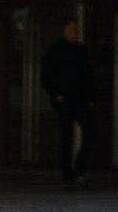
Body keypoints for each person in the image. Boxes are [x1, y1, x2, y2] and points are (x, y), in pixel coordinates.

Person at [40, 17, 93, 189]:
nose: (74, 32)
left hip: (80, 99)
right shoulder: (55, 50)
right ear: (64, 31)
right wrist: (57, 94)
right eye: (71, 29)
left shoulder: (81, 50)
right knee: (67, 135)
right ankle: (67, 174)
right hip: (64, 99)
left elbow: (88, 75)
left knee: (91, 132)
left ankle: (78, 170)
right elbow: (47, 75)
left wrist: (89, 96)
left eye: (76, 29)